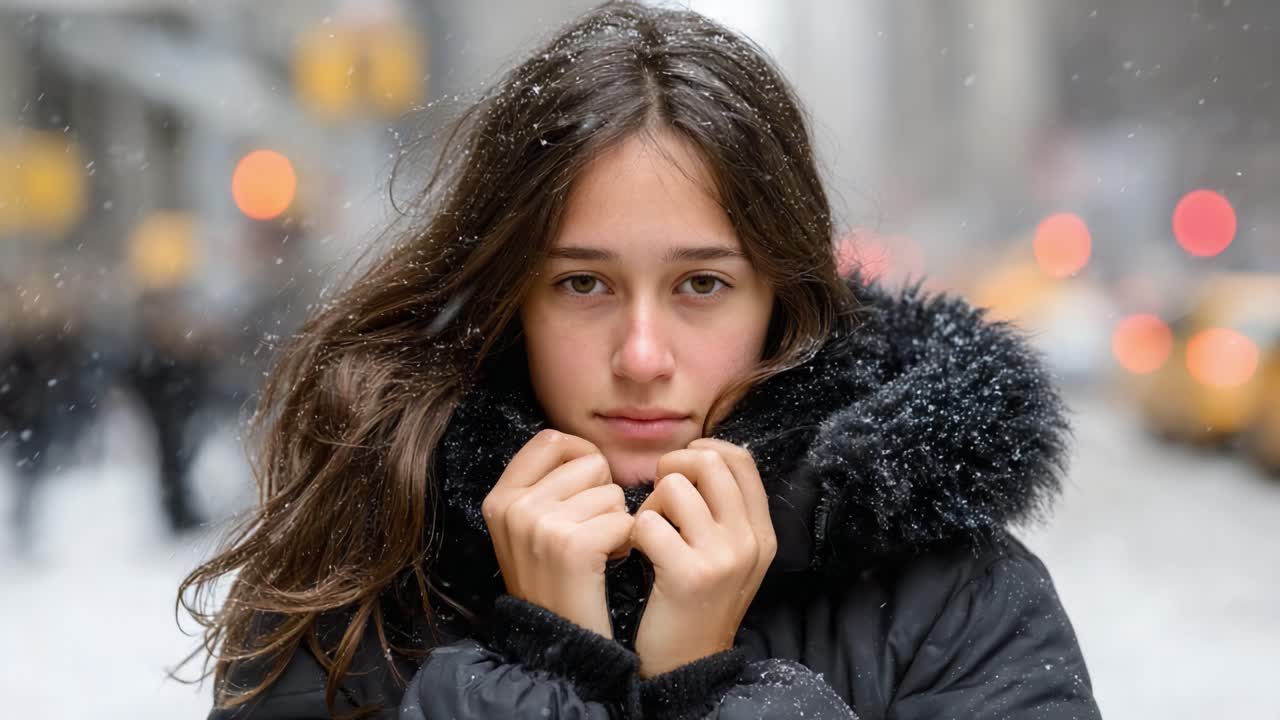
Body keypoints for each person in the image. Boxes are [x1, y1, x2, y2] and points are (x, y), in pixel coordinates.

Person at [178, 3, 1102, 718]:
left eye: (702, 285)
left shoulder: (957, 600)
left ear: (781, 301)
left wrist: (702, 683)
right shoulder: (357, 579)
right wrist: (549, 668)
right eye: (584, 285)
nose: (643, 355)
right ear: (510, 297)